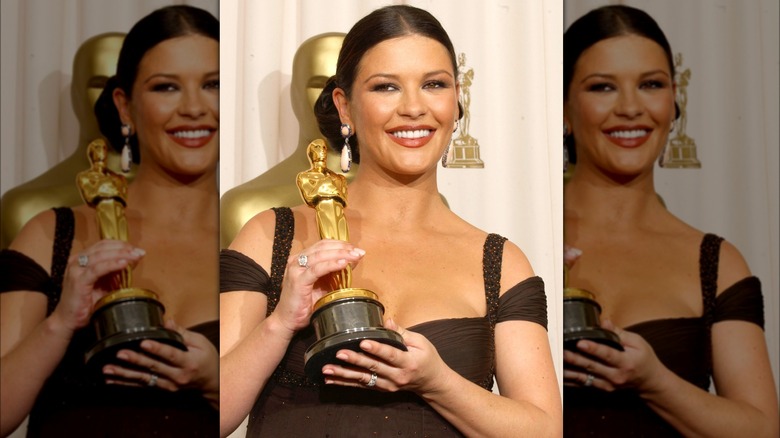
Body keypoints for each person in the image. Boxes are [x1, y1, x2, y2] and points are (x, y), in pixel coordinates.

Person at [219, 5, 561, 437]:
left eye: (434, 84)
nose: (414, 107)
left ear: (457, 101)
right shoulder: (271, 236)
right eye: (386, 87)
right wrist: (280, 323)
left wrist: (438, 383)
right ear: (344, 106)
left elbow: (543, 429)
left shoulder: (501, 261)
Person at [0, 5, 220, 437]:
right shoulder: (52, 235)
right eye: (166, 87)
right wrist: (61, 323)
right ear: (125, 105)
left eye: (213, 85)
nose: (194, 107)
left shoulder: (251, 239)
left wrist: (215, 382)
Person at [562, 5, 779, 437]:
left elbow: (760, 428)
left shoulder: (715, 264)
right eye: (603, 87)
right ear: (564, 110)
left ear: (673, 102)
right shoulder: (521, 244)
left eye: (651, 85)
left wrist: (655, 381)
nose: (630, 107)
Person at [218, 32, 353, 249]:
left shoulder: (405, 192)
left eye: (347, 88)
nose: (334, 101)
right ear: (295, 95)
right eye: (319, 85)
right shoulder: (246, 207)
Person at [0, 33, 128, 249]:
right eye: (99, 85)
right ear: (75, 96)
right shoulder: (26, 208)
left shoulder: (190, 194)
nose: (112, 99)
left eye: (125, 87)